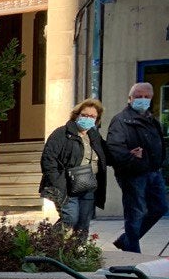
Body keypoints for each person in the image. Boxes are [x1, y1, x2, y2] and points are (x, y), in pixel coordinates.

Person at [107, 82, 167, 254]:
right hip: (132, 174)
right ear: (130, 98)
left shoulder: (152, 120)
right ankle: (132, 254)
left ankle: (126, 241)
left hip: (153, 172)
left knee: (160, 207)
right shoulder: (121, 120)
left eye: (146, 97)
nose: (142, 99)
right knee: (136, 213)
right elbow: (115, 149)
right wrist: (133, 158)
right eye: (138, 96)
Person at [40, 98, 107, 238]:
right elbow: (48, 159)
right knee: (70, 218)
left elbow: (107, 154)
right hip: (66, 185)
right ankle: (46, 245)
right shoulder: (62, 133)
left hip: (87, 185)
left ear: (97, 120)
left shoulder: (94, 136)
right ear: (77, 115)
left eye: (92, 116)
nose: (88, 118)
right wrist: (57, 183)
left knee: (83, 224)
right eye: (85, 115)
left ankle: (78, 255)